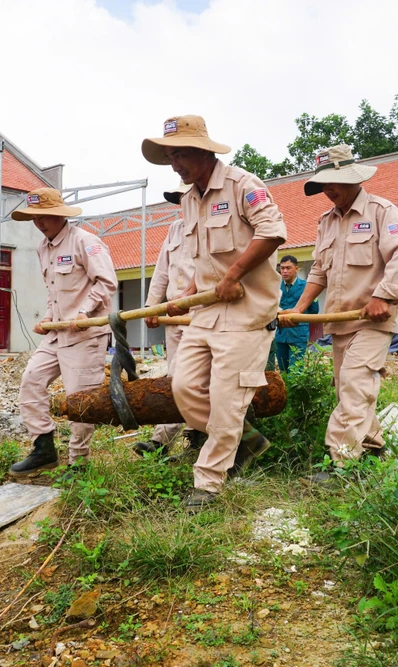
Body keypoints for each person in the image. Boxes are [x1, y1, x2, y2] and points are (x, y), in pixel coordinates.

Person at [141, 115, 287, 509]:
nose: (175, 165)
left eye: (180, 155)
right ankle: (244, 439)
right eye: (171, 157)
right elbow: (202, 259)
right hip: (206, 312)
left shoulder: (243, 185)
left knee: (226, 397)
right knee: (184, 387)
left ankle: (209, 482)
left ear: (203, 151)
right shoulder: (189, 199)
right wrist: (188, 292)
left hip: (246, 313)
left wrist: (234, 274)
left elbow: (273, 232)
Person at [279, 145, 398, 483]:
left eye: (333, 182)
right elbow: (318, 272)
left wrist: (384, 296)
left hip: (373, 321)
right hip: (340, 323)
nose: (328, 190)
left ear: (353, 178)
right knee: (348, 389)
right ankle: (372, 447)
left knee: (355, 385)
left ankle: (342, 464)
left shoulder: (382, 212)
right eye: (323, 185)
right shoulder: (325, 222)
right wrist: (298, 309)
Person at [8, 188, 118, 476]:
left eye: (44, 217)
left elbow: (106, 281)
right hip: (57, 333)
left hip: (85, 335)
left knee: (80, 399)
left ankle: (79, 463)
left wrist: (85, 311)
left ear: (59, 215)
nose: (39, 223)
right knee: (31, 380)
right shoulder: (43, 248)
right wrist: (47, 317)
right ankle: (43, 448)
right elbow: (54, 291)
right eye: (35, 218)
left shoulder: (85, 242)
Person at [135, 182, 201, 456]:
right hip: (174, 318)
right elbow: (162, 271)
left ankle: (163, 440)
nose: (185, 203)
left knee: (186, 377)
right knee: (179, 377)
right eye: (180, 199)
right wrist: (152, 307)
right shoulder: (175, 229)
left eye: (189, 198)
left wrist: (188, 299)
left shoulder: (213, 226)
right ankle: (188, 438)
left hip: (201, 315)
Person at [273, 255, 318, 371]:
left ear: (296, 269)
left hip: (298, 334)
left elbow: (314, 310)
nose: (284, 271)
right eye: (282, 268)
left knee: (296, 371)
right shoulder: (275, 286)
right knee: (282, 370)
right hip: (280, 334)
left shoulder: (306, 287)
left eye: (288, 268)